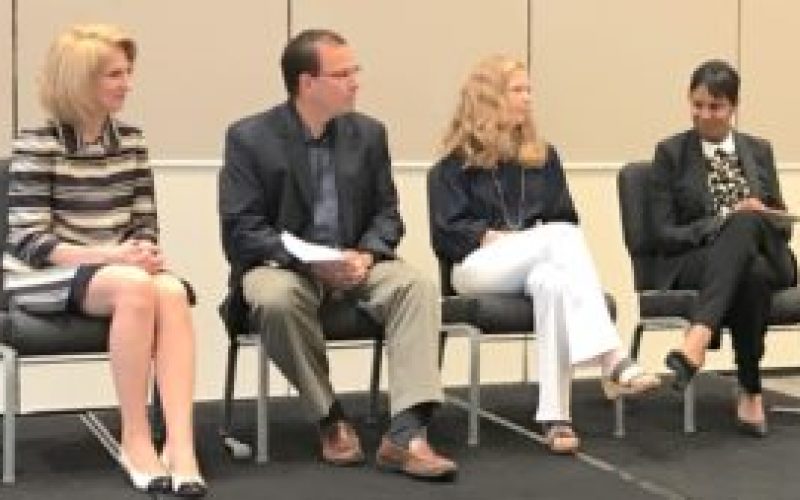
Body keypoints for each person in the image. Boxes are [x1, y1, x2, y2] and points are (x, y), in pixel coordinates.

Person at [218, 28, 457, 480]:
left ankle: (406, 434)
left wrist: (366, 255)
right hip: (285, 266)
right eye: (342, 74)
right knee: (274, 299)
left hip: (356, 262)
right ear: (307, 83)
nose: (355, 82)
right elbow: (242, 231)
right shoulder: (250, 137)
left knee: (417, 286)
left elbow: (388, 215)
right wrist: (311, 261)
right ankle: (330, 418)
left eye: (355, 71)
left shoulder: (369, 134)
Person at [5, 24, 206, 496]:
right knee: (134, 286)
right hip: (42, 275)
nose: (126, 83)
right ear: (78, 81)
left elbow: (144, 220)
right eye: (113, 74)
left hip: (116, 271)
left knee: (171, 290)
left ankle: (181, 446)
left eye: (127, 72)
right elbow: (29, 240)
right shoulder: (38, 143)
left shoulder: (132, 141)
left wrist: (143, 249)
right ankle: (135, 439)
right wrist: (109, 256)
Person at [428, 55, 660, 454]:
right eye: (519, 90)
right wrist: (495, 238)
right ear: (490, 98)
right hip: (476, 268)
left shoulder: (544, 158)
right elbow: (447, 234)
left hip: (536, 261)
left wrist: (531, 243)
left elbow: (564, 217)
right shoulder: (453, 165)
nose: (529, 98)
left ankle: (556, 417)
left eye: (529, 90)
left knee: (553, 281)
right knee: (557, 238)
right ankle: (611, 356)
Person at [653, 60, 796, 437]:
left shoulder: (759, 150)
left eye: (714, 107)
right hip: (700, 259)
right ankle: (750, 388)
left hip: (771, 252)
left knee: (749, 222)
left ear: (734, 107)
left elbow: (781, 223)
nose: (704, 115)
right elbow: (664, 233)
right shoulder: (671, 153)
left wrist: (757, 214)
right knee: (751, 274)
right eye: (697, 105)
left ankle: (698, 337)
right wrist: (722, 221)